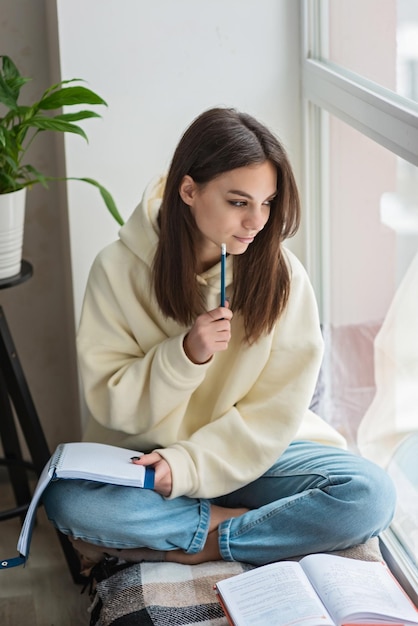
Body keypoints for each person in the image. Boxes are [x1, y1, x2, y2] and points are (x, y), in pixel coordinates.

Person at [43, 107, 395, 570]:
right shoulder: (116, 269)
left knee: (369, 495)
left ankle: (208, 540)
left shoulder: (283, 277)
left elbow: (274, 412)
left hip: (253, 456)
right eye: (238, 202)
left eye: (267, 202)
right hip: (151, 461)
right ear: (189, 190)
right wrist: (184, 355)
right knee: (69, 501)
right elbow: (110, 402)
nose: (257, 221)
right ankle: (250, 527)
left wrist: (194, 464)